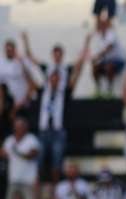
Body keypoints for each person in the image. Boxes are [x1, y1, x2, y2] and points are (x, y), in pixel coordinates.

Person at [28, 37, 89, 184]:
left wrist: (86, 45)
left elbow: (77, 71)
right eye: (52, 79)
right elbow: (31, 72)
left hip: (57, 131)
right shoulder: (44, 91)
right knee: (39, 163)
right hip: (44, 130)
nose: (54, 80)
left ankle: (55, 191)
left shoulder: (64, 91)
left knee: (57, 164)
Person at [1, 117, 41, 199]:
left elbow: (32, 154)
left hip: (28, 181)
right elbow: (3, 153)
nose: (18, 129)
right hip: (13, 180)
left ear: (25, 127)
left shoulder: (31, 139)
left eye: (21, 126)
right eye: (17, 126)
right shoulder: (9, 140)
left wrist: (16, 151)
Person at [91, 16, 126, 97]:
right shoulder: (98, 36)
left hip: (119, 61)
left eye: (102, 24)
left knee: (108, 66)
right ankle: (98, 89)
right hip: (106, 61)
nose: (100, 26)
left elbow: (109, 47)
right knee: (95, 67)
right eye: (99, 25)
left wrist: (97, 57)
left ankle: (110, 90)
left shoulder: (111, 33)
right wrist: (94, 61)